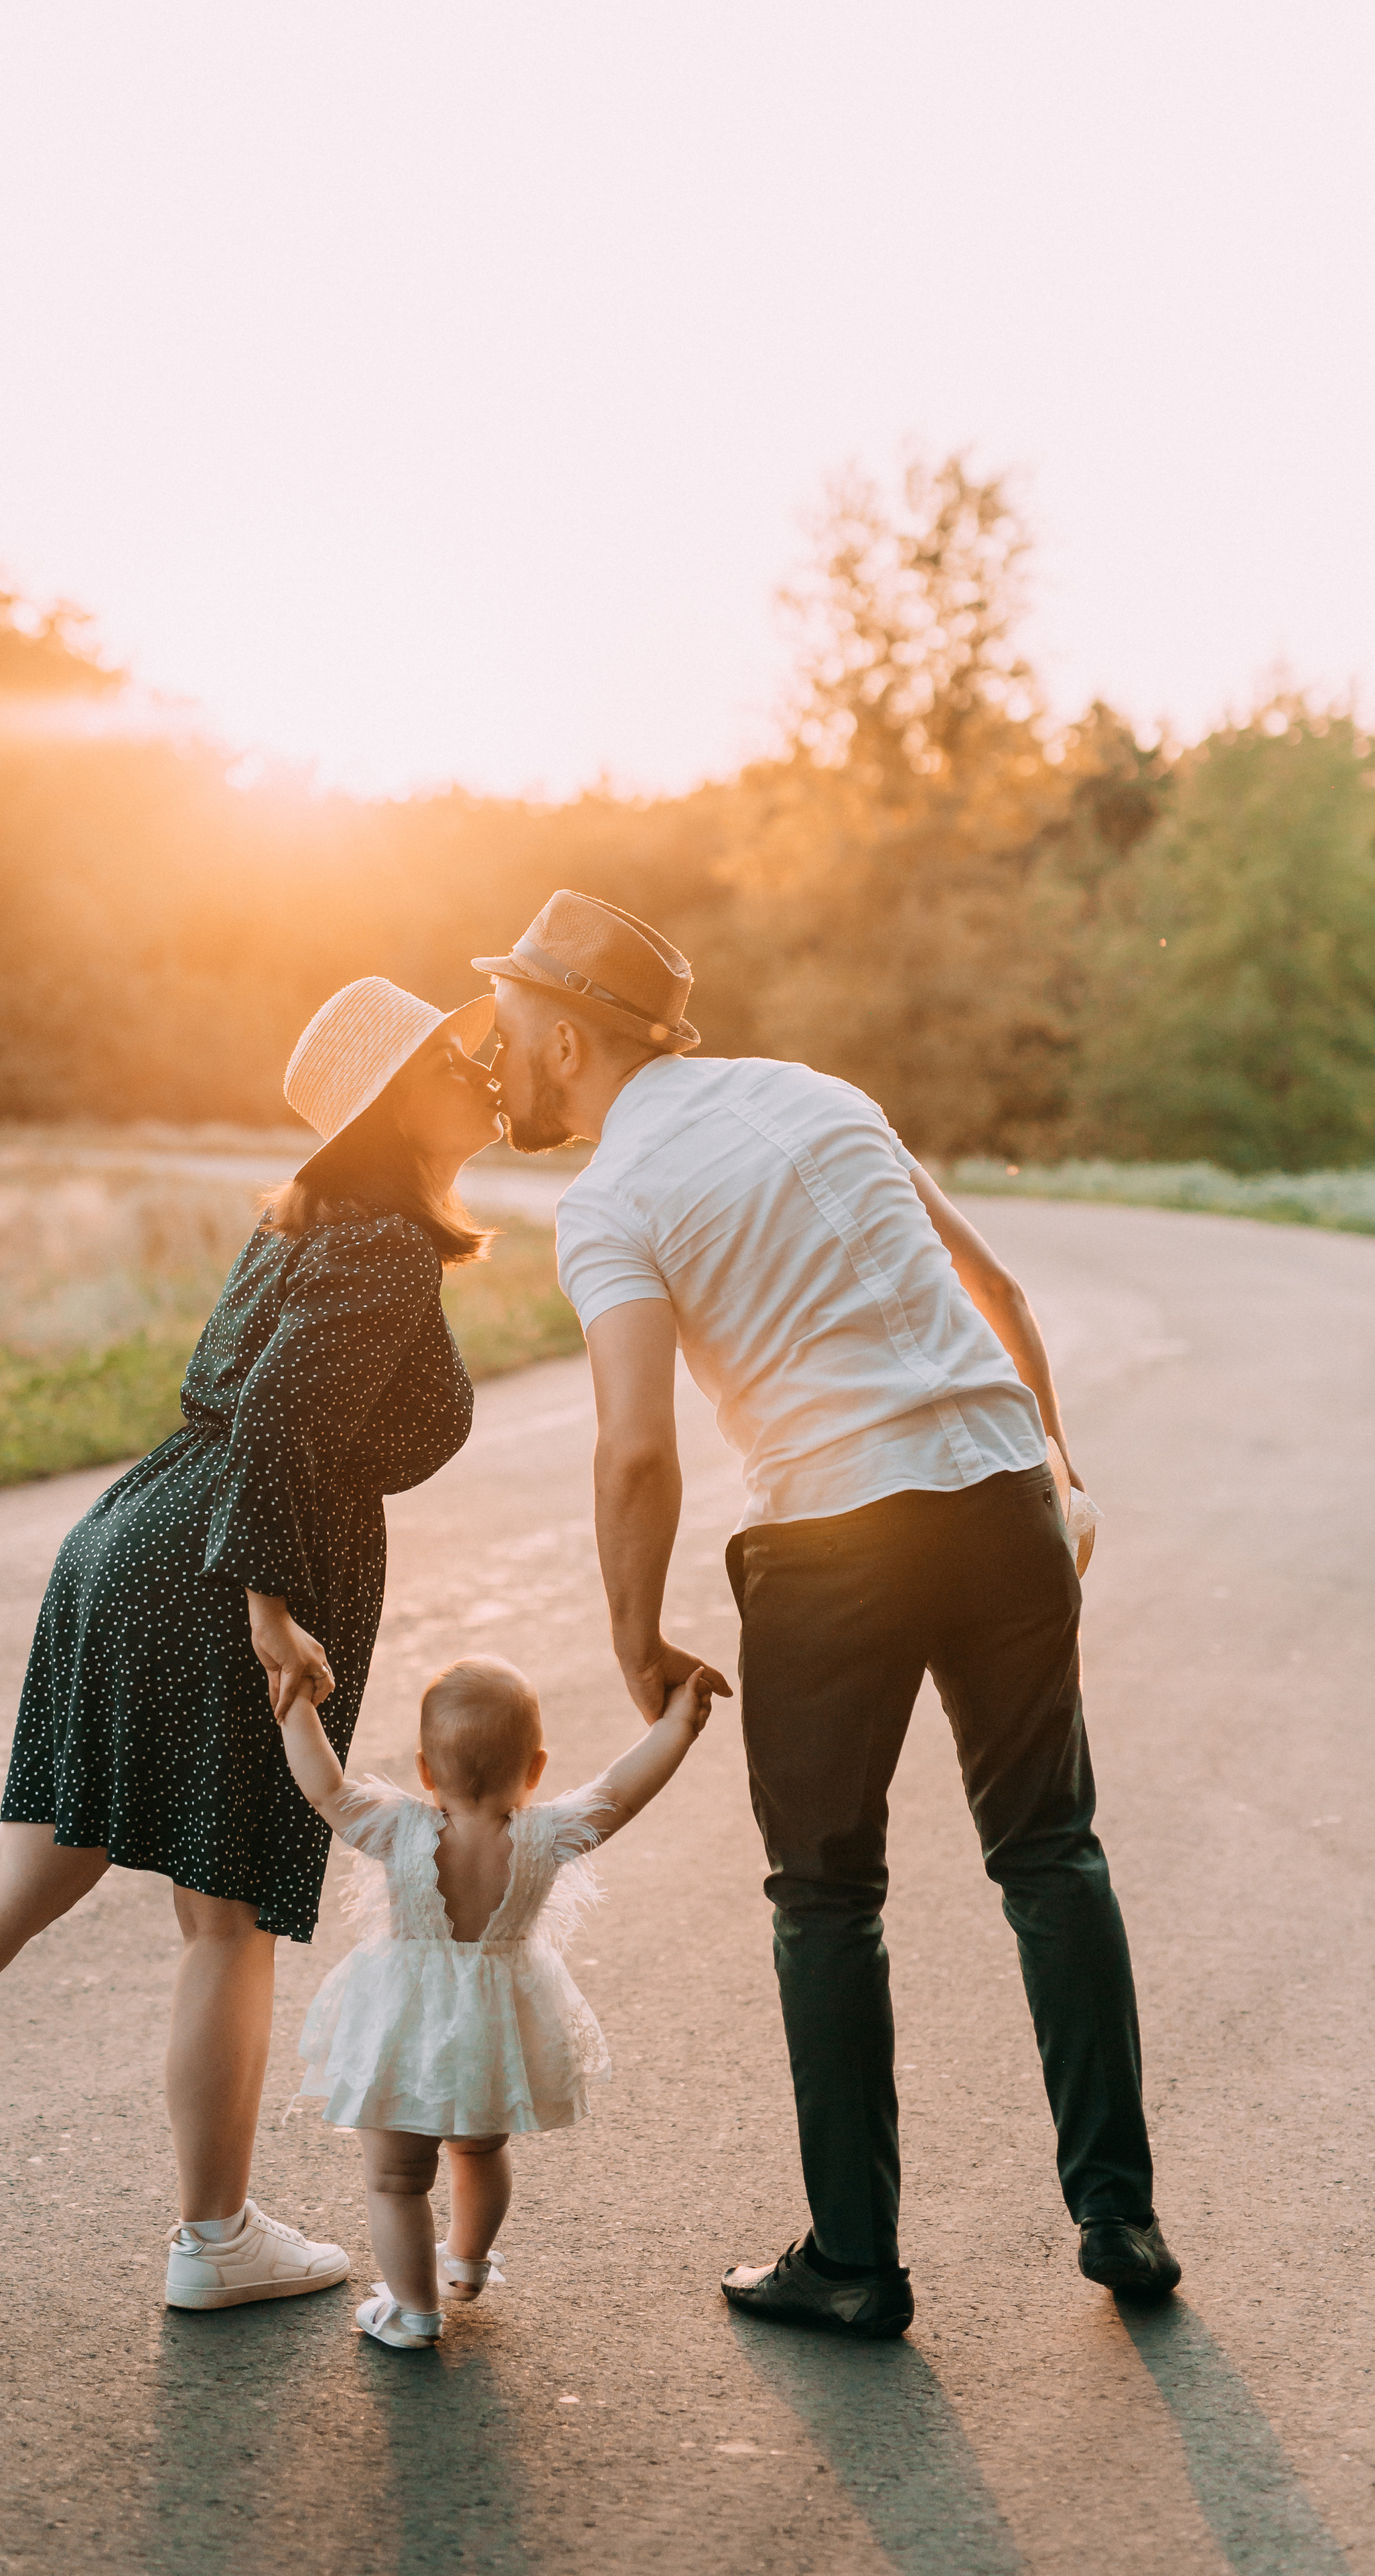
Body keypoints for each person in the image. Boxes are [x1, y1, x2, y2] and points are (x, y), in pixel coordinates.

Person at [474, 889, 1181, 2340]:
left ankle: (854, 2257)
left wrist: (632, 1640)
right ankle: (1119, 2211)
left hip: (833, 1529)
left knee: (826, 1896)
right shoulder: (816, 1092)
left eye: (507, 1027)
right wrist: (1058, 1474)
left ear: (567, 1042)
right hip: (998, 1491)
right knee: (1051, 1851)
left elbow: (635, 1447)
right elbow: (994, 1286)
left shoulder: (610, 1199)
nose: (494, 1055)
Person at [0, 977, 505, 2315]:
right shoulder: (385, 1245)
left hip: (133, 1538)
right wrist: (270, 1603)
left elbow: (264, 1408)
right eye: (453, 1058)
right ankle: (215, 2238)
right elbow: (280, 1420)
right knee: (228, 1915)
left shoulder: (310, 1222)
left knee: (13, 1878)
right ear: (396, 1103)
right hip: (221, 1565)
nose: (482, 1069)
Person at [275, 1650, 714, 2347]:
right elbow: (622, 1792)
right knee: (480, 2149)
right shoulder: (546, 1834)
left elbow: (325, 1789)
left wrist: (296, 1706)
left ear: (424, 1769)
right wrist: (677, 1726)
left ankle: (414, 2310)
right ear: (535, 1768)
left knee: (396, 2179)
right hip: (495, 2029)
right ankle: (466, 2260)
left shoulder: (396, 1827)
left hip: (405, 2030)